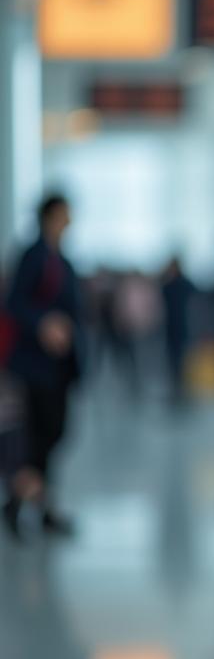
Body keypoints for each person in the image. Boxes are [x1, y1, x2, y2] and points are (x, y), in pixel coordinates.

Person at [1, 194, 83, 538]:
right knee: (37, 436)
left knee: (53, 433)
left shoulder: (60, 258)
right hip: (34, 364)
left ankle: (34, 501)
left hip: (58, 366)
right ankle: (24, 502)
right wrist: (43, 323)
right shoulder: (35, 255)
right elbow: (14, 303)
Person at [160, 256, 196, 405]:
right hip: (173, 328)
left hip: (182, 328)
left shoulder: (181, 284)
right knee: (173, 362)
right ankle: (178, 392)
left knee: (182, 362)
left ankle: (183, 392)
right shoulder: (174, 284)